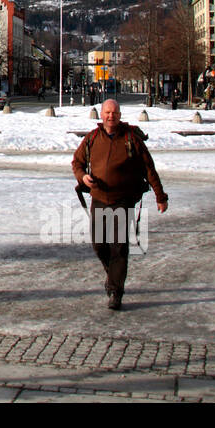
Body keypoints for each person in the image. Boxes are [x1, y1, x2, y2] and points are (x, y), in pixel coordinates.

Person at [71, 99, 169, 310]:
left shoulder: (131, 139)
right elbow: (77, 162)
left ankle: (116, 291)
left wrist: (161, 197)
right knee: (99, 244)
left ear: (120, 114)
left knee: (119, 247)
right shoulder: (92, 138)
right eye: (107, 112)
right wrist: (83, 177)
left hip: (122, 201)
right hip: (99, 198)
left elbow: (149, 169)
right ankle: (112, 275)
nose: (110, 116)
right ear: (102, 115)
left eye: (114, 113)